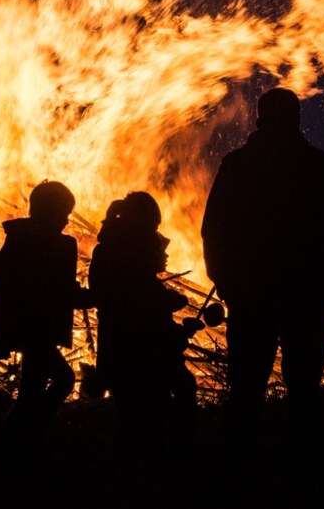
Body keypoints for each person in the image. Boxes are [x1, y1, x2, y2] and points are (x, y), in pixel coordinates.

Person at [201, 87, 324, 448]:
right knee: (303, 386)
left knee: (247, 385)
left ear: (260, 118)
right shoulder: (318, 166)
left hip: (253, 295)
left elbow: (214, 229)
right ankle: (303, 464)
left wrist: (226, 281)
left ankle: (238, 465)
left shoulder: (238, 165)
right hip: (308, 296)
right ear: (295, 119)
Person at [89, 192, 196, 478]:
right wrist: (168, 303)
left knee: (130, 415)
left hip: (119, 348)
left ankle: (128, 475)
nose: (159, 238)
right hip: (144, 355)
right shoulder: (135, 249)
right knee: (152, 415)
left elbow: (116, 297)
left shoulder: (109, 248)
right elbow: (140, 304)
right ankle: (159, 472)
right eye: (153, 226)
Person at [0, 180, 90, 456]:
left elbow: (1, 288)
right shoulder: (57, 245)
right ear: (47, 211)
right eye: (63, 213)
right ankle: (30, 437)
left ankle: (15, 448)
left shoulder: (18, 239)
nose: (66, 220)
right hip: (35, 330)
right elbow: (63, 290)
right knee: (64, 380)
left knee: (30, 393)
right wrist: (97, 297)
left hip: (28, 328)